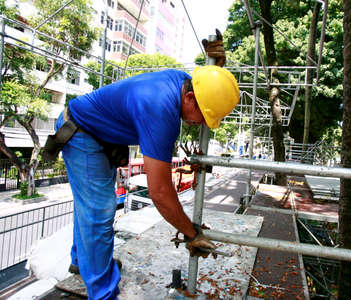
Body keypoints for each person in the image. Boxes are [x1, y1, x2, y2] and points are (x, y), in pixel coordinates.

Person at [50, 30, 239, 300]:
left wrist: (216, 72)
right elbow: (160, 192)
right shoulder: (162, 112)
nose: (203, 124)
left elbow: (204, 86)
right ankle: (102, 293)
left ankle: (85, 263)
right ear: (188, 99)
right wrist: (191, 233)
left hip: (96, 133)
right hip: (82, 134)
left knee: (90, 206)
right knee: (99, 211)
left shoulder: (183, 83)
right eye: (204, 116)